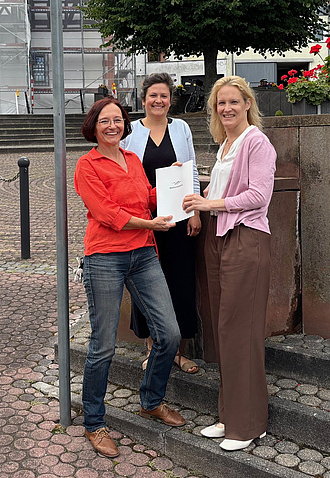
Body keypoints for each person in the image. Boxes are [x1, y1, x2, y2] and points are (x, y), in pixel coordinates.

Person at [75, 97, 186, 458]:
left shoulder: (134, 159)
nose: (113, 126)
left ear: (125, 124)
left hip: (142, 253)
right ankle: (94, 422)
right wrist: (149, 223)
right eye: (105, 121)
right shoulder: (86, 165)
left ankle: (151, 400)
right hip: (105, 257)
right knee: (103, 345)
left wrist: (174, 182)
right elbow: (107, 213)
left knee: (169, 333)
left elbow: (146, 198)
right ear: (93, 126)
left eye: (118, 120)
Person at [183, 76, 276, 452]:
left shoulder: (256, 141)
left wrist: (209, 205)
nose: (227, 109)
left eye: (234, 102)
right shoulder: (225, 144)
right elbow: (219, 192)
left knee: (240, 331)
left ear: (247, 104)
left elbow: (258, 195)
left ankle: (249, 425)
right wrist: (192, 187)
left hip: (245, 240)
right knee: (225, 331)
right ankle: (230, 416)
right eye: (221, 103)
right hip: (220, 239)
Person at [121, 72, 201, 374]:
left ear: (170, 100)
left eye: (164, 96)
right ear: (144, 99)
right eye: (153, 95)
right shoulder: (131, 132)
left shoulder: (181, 128)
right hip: (147, 220)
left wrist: (195, 212)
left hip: (179, 218)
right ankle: (153, 347)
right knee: (148, 282)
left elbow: (190, 170)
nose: (158, 100)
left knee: (179, 281)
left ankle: (179, 351)